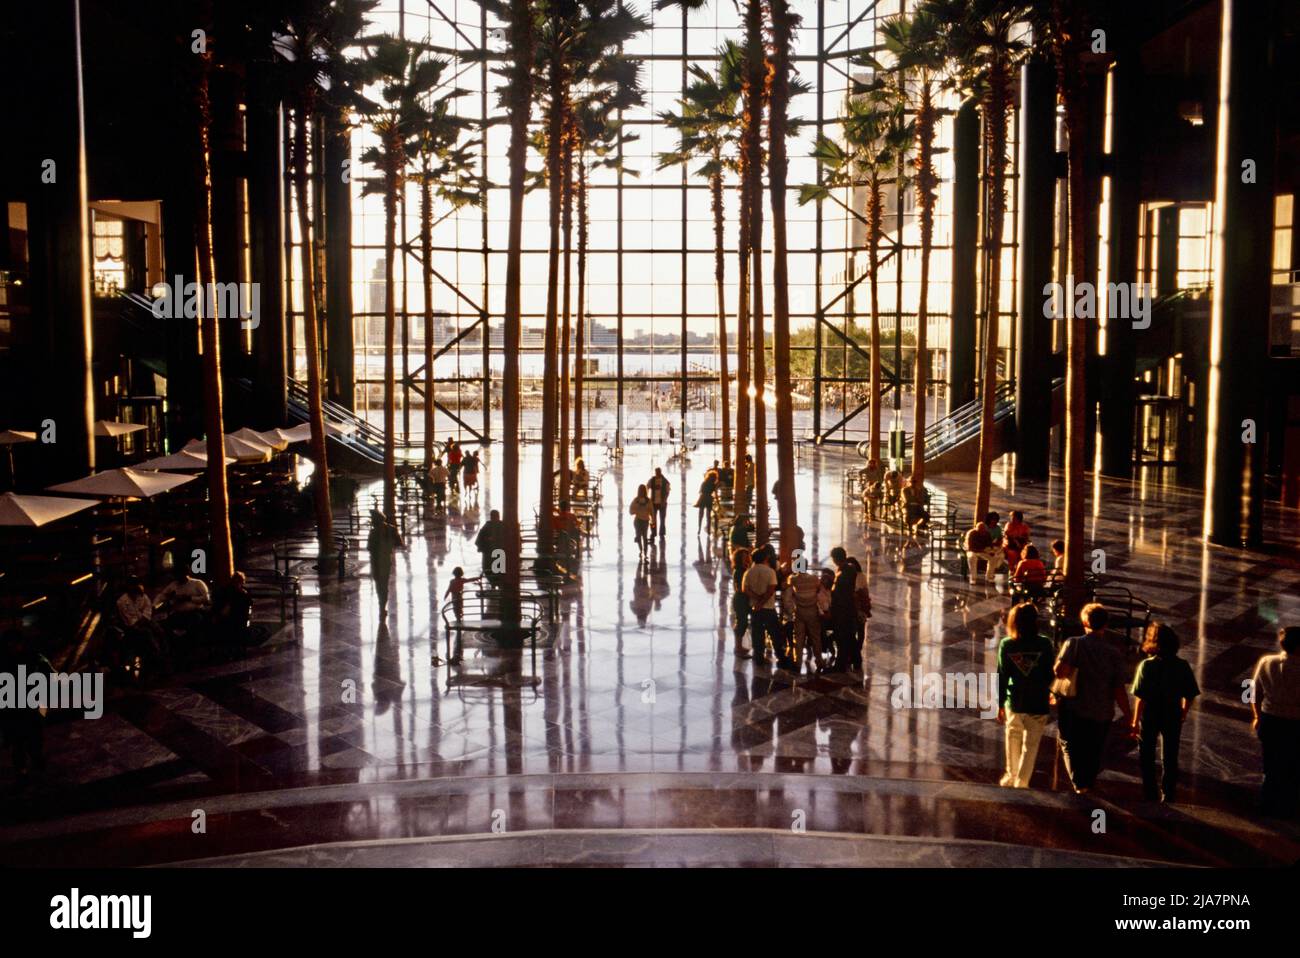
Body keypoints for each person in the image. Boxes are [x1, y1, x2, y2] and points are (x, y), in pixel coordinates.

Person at [1052, 603, 1133, 794]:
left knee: (1069, 743)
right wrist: (1128, 715)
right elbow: (1119, 688)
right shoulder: (1114, 653)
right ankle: (1087, 781)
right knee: (1094, 748)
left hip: (1074, 707)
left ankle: (1079, 783)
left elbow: (1059, 672)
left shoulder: (1074, 643)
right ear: (1105, 624)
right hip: (1102, 711)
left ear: (1085, 622)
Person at [1130, 622, 1200, 804]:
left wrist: (1135, 721)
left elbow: (1140, 697)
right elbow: (1190, 693)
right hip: (1172, 714)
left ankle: (1150, 793)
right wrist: (1184, 711)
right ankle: (1168, 793)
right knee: (1170, 756)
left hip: (1151, 715)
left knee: (1147, 755)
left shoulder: (1146, 666)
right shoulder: (1182, 665)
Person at [996, 602, 1055, 788]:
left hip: (1015, 700)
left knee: (1012, 737)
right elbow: (1049, 674)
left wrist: (1000, 703)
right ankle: (1022, 782)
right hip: (1038, 701)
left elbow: (1002, 676)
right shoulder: (1045, 644)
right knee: (1031, 745)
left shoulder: (1007, 644)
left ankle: (1010, 775)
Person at [1250, 626, 1300, 817]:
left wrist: (1256, 716)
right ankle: (1289, 807)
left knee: (1270, 765)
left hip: (1270, 720)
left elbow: (1252, 691)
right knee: (1294, 766)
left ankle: (1266, 803)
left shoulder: (1267, 661)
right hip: (1295, 723)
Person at [0, 629, 51, 781]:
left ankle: (34, 761)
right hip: (16, 707)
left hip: (27, 705)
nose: (14, 646)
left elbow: (48, 673)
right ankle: (24, 767)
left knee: (31, 738)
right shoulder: (24, 658)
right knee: (19, 741)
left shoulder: (32, 657)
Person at [744, 544, 785, 668]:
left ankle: (759, 657)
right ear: (765, 558)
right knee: (774, 633)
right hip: (768, 608)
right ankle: (781, 656)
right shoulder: (770, 571)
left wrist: (756, 600)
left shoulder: (749, 572)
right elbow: (771, 590)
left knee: (757, 633)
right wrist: (762, 602)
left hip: (755, 608)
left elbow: (745, 589)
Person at [115, 577, 165, 666]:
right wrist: (140, 622)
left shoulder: (143, 596)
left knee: (159, 630)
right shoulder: (121, 601)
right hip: (131, 627)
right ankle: (158, 658)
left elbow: (148, 609)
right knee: (147, 633)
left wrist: (144, 619)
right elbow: (128, 619)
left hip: (145, 621)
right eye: (132, 585)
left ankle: (165, 653)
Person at [828, 547, 863, 673]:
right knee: (850, 637)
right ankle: (856, 660)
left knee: (842, 637)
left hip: (843, 610)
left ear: (836, 559)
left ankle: (840, 664)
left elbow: (839, 592)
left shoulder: (844, 573)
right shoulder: (849, 569)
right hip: (847, 609)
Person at [157, 567, 211, 646]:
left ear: (186, 574)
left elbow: (206, 599)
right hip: (178, 613)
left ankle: (194, 647)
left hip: (194, 612)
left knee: (195, 625)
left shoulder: (197, 583)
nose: (178, 578)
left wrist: (189, 598)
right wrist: (155, 604)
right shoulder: (173, 585)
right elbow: (162, 596)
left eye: (180, 575)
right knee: (165, 626)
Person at [787, 563, 824, 673]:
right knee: (816, 638)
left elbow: (788, 594)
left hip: (800, 612)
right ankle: (819, 660)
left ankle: (798, 662)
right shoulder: (814, 578)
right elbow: (819, 591)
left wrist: (791, 610)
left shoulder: (793, 579)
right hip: (812, 611)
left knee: (799, 638)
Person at [367, 508, 404, 616]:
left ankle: (381, 605)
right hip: (386, 560)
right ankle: (382, 606)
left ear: (376, 520)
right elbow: (399, 543)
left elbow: (369, 548)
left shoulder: (373, 532)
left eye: (373, 519)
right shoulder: (391, 529)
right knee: (384, 584)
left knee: (379, 584)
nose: (372, 521)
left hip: (376, 561)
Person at [212, 571, 257, 650]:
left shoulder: (242, 593)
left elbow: (248, 605)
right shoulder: (229, 591)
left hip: (236, 617)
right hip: (231, 617)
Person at [731, 547, 753, 658]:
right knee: (742, 622)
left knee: (742, 622)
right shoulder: (740, 571)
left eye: (747, 557)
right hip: (741, 600)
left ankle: (739, 646)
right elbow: (740, 588)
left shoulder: (745, 569)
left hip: (744, 599)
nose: (746, 559)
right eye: (744, 557)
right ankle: (738, 647)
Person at [475, 509, 504, 577]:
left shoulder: (487, 526)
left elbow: (479, 539)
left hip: (489, 552)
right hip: (500, 551)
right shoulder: (502, 525)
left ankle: (493, 583)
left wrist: (485, 543)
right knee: (500, 570)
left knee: (489, 570)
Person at [629, 484, 655, 555]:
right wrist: (637, 508)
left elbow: (652, 511)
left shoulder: (648, 501)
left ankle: (645, 552)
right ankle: (641, 550)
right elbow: (630, 511)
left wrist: (653, 521)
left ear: (645, 491)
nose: (641, 492)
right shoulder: (636, 500)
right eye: (640, 491)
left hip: (646, 521)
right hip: (637, 520)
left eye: (643, 491)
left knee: (645, 537)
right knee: (639, 535)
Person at [647, 467, 671, 541]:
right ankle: (653, 533)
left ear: (660, 472)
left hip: (662, 503)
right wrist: (647, 497)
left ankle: (662, 533)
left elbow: (667, 492)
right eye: (656, 472)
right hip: (653, 503)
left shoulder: (665, 481)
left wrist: (664, 501)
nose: (657, 473)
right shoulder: (652, 480)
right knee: (653, 519)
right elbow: (647, 487)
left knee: (662, 519)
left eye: (658, 472)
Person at [695, 466, 719, 535]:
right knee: (708, 516)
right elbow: (716, 494)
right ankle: (708, 531)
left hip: (702, 498)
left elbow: (700, 491)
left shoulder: (704, 483)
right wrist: (718, 503)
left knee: (700, 515)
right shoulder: (714, 484)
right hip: (709, 499)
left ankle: (699, 529)